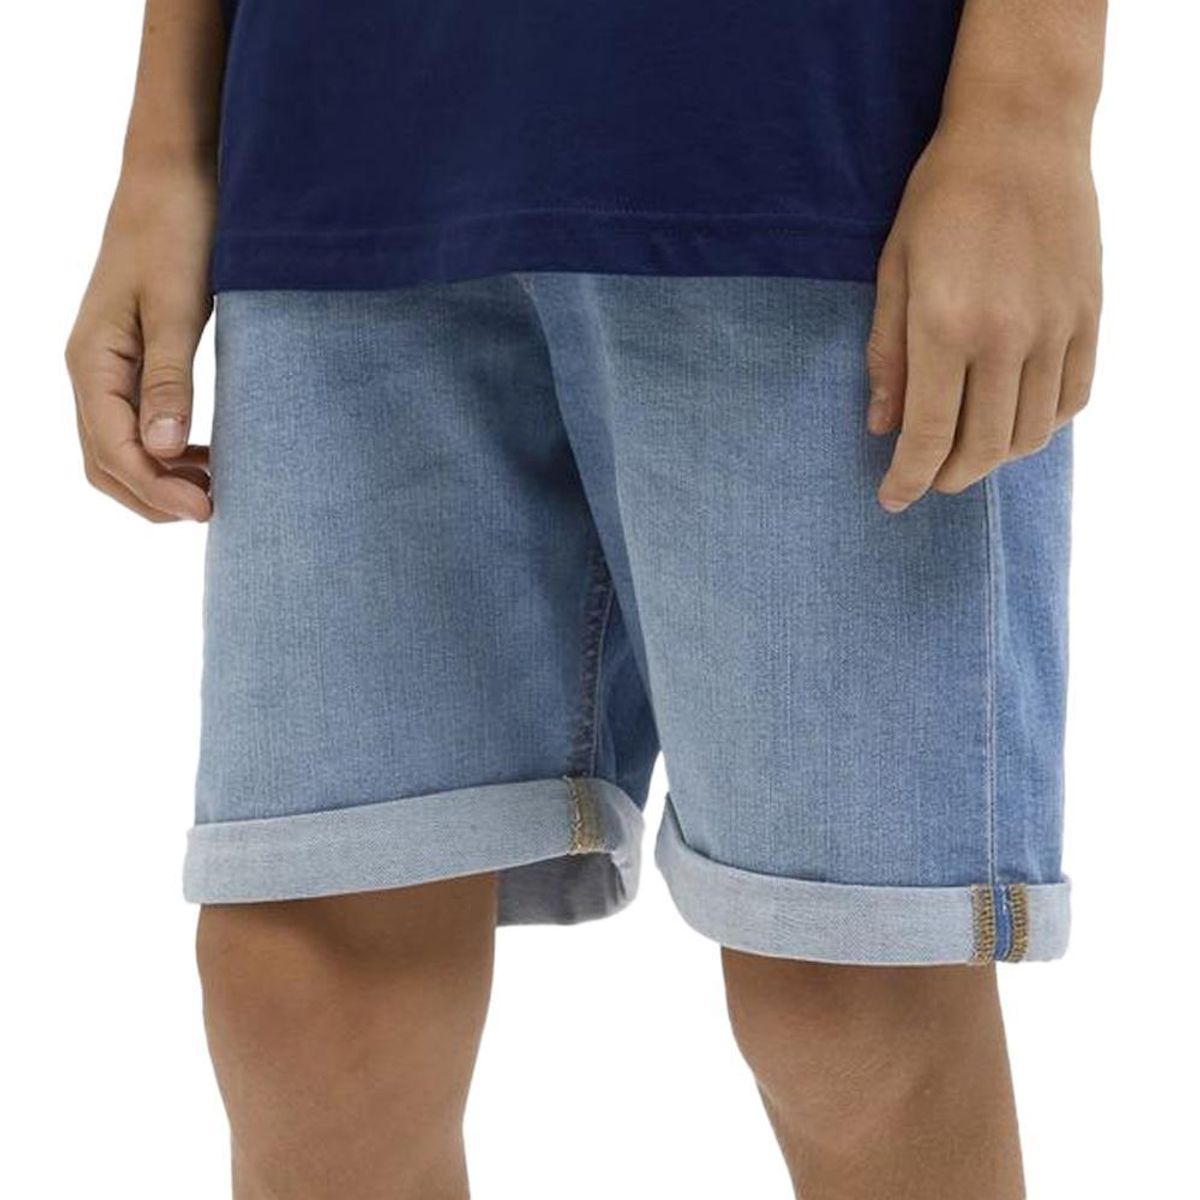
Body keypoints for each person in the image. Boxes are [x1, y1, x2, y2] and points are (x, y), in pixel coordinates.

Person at [65, 1, 1106, 1196]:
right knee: (305, 979)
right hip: (336, 128)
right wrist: (168, 149)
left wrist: (1027, 111)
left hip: (810, 144)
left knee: (850, 991)